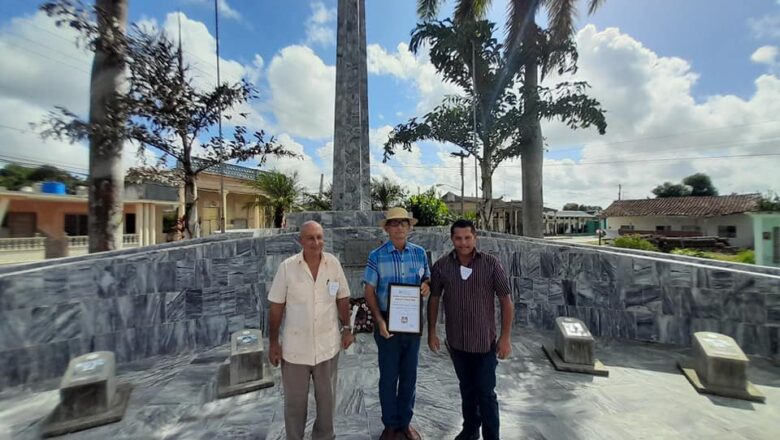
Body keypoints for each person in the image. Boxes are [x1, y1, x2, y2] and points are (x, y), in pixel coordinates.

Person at [268, 220, 354, 440]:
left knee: (327, 401)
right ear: (301, 241)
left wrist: (346, 329)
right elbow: (276, 307)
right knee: (295, 404)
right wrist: (273, 343)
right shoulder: (287, 267)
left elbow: (342, 297)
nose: (316, 242)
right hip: (296, 350)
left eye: (319, 237)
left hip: (327, 347)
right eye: (311, 238)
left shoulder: (333, 264)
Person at [428, 219, 513, 440]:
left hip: (484, 343)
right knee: (466, 389)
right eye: (458, 238)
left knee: (485, 393)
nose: (463, 243)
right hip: (457, 343)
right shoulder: (441, 266)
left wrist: (505, 338)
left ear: (475, 238)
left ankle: (491, 436)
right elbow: (434, 299)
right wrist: (431, 332)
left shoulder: (491, 264)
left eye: (467, 237)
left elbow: (506, 300)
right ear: (452, 239)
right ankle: (470, 430)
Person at [363, 207, 431, 440]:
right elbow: (369, 291)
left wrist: (427, 285)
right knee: (389, 376)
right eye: (394, 223)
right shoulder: (376, 256)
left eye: (403, 223)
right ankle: (390, 425)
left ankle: (405, 423)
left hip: (412, 325)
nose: (399, 227)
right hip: (386, 323)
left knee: (409, 376)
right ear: (387, 228)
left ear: (409, 227)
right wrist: (380, 321)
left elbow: (427, 278)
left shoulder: (420, 253)